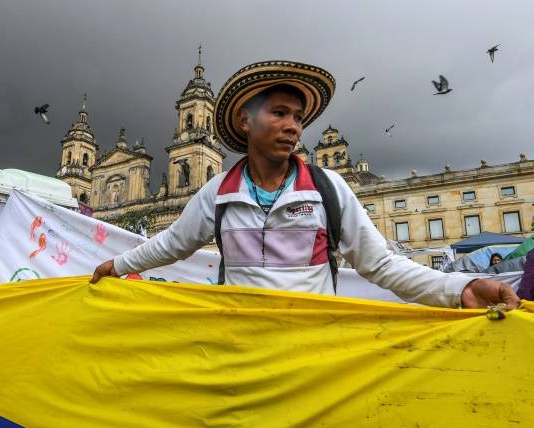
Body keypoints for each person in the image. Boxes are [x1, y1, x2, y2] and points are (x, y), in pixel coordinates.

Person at [91, 60, 519, 310]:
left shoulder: (328, 189)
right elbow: (171, 244)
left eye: (298, 117)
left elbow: (382, 265)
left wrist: (459, 287)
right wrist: (117, 265)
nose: (293, 126)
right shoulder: (218, 192)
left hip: (311, 355)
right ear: (245, 121)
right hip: (239, 353)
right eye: (279, 113)